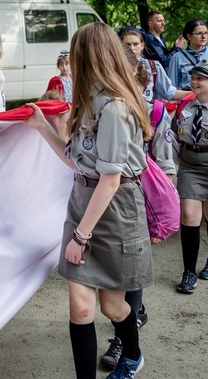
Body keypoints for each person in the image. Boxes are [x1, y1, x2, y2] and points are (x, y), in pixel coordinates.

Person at [24, 22, 153, 378]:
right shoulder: (87, 100)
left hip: (114, 211)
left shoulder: (114, 107)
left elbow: (110, 181)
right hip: (84, 201)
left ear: (88, 57)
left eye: (75, 54)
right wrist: (42, 128)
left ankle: (132, 355)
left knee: (113, 307)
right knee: (80, 309)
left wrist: (81, 236)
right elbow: (77, 161)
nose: (70, 61)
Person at [99, 47, 173, 371]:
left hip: (135, 193)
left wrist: (161, 208)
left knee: (130, 278)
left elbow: (162, 158)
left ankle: (123, 344)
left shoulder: (143, 106)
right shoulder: (105, 103)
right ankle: (130, 328)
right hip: (114, 195)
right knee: (119, 284)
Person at [171, 61, 208, 295]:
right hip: (190, 167)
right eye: (192, 78)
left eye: (200, 79)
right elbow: (174, 133)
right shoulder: (185, 105)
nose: (194, 82)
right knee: (189, 216)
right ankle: (189, 272)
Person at [120, 27, 189, 102]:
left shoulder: (153, 66)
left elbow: (169, 92)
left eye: (135, 44)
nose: (132, 48)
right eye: (128, 44)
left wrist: (195, 94)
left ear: (142, 45)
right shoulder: (114, 67)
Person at [168, 19, 208, 90]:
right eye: (199, 33)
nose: (204, 36)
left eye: (206, 33)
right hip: (188, 98)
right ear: (189, 36)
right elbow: (171, 88)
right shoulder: (178, 58)